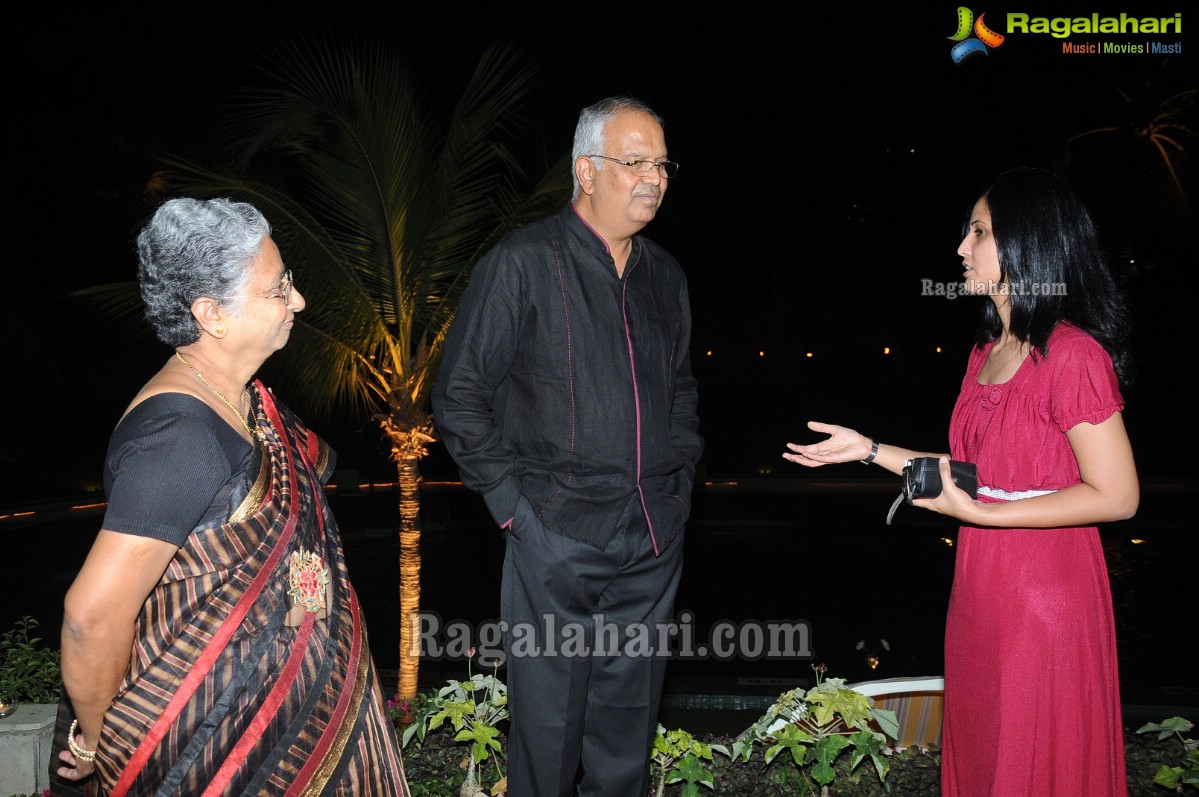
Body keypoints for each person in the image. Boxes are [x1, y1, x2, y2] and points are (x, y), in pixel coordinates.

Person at [783, 167, 1137, 796]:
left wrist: (986, 516)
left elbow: (1118, 495)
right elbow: (975, 475)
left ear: (1027, 243)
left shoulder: (1074, 354)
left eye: (978, 232)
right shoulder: (988, 351)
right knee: (984, 756)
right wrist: (868, 450)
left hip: (1045, 602)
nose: (960, 249)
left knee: (1032, 764)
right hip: (980, 593)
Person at [51, 198, 410, 796]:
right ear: (212, 314)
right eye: (277, 290)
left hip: (287, 713)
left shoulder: (245, 399)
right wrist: (102, 742)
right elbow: (91, 617)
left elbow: (302, 481)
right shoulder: (179, 436)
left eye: (289, 281)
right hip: (219, 741)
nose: (297, 302)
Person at [432, 96, 702, 797]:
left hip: (649, 538)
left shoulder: (664, 277)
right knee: (546, 736)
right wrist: (515, 510)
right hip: (553, 537)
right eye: (634, 161)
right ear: (586, 170)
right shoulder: (521, 263)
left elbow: (679, 392)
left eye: (662, 163)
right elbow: (459, 395)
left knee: (625, 739)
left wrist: (675, 491)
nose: (654, 177)